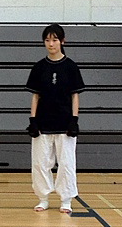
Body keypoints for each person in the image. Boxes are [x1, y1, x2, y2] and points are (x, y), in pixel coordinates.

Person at [25, 23, 85, 214]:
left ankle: (66, 199)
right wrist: (33, 120)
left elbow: (75, 95)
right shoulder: (39, 67)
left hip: (64, 123)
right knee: (40, 162)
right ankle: (43, 198)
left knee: (66, 163)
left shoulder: (70, 67)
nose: (51, 44)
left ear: (62, 41)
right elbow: (35, 96)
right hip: (43, 122)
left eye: (55, 40)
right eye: (47, 40)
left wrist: (74, 119)